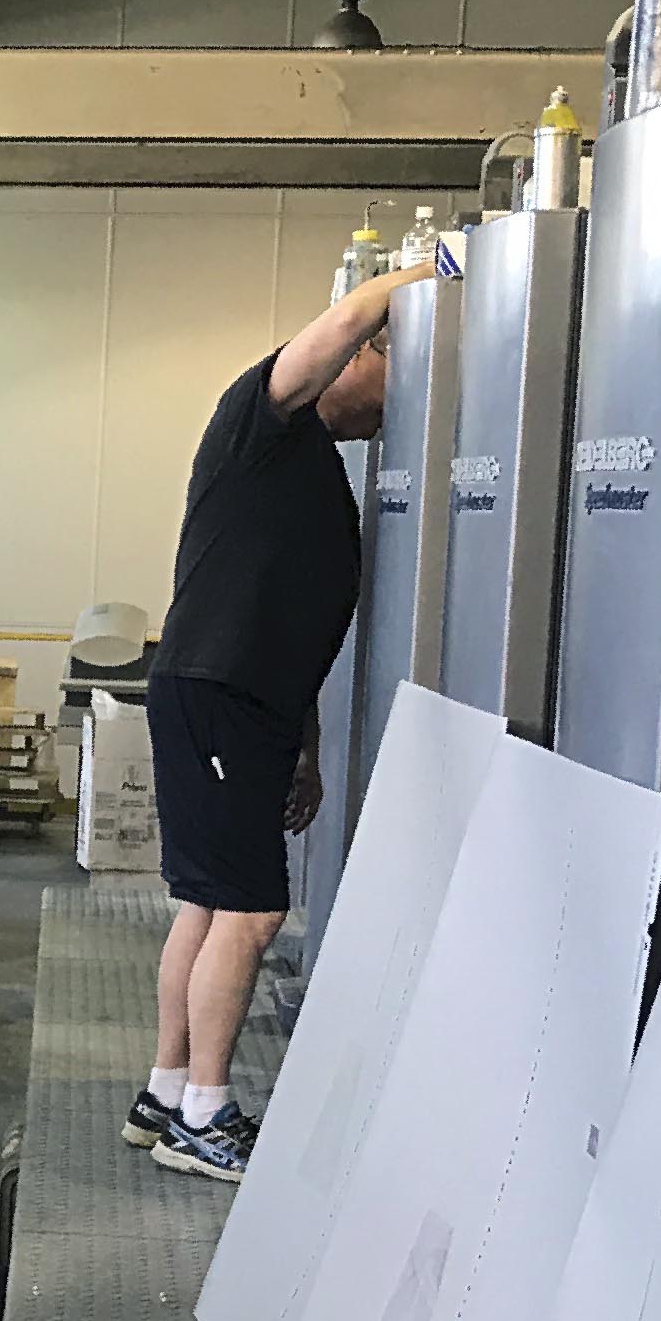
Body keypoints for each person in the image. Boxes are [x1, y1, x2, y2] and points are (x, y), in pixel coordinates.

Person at [134, 257, 434, 1181]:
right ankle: (206, 1115)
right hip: (218, 694)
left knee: (211, 904)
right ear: (355, 361)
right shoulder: (261, 421)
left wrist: (301, 747)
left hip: (242, 705)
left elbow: (294, 615)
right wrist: (428, 272)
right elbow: (340, 323)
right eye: (396, 376)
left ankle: (167, 1091)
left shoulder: (313, 475)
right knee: (255, 913)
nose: (396, 407)